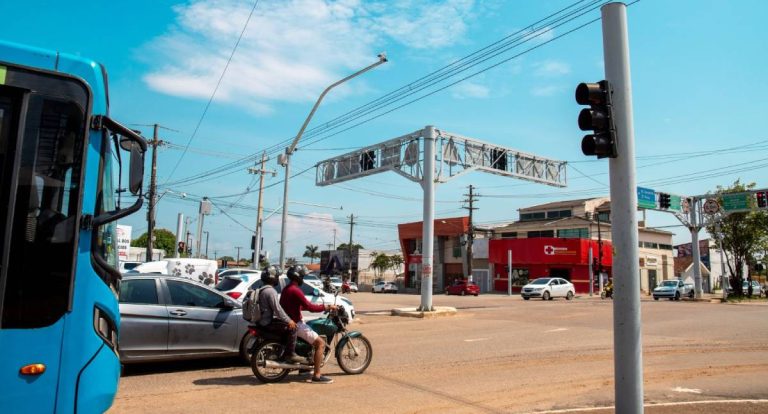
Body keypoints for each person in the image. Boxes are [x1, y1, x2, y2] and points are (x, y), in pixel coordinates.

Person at [280, 265, 337, 384]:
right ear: (298, 277)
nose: (303, 279)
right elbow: (310, 307)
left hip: (288, 321)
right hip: (296, 323)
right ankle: (317, 375)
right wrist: (327, 306)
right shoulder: (295, 290)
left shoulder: (287, 289)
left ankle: (304, 369)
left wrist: (302, 307)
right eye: (302, 276)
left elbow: (294, 305)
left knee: (310, 335)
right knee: (320, 343)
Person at [256, 266, 302, 364]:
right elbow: (278, 310)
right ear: (273, 278)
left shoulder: (261, 289)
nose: (277, 278)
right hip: (267, 323)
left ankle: (282, 349)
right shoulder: (271, 291)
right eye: (277, 276)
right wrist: (289, 321)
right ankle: (290, 354)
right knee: (293, 328)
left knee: (283, 324)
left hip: (261, 322)